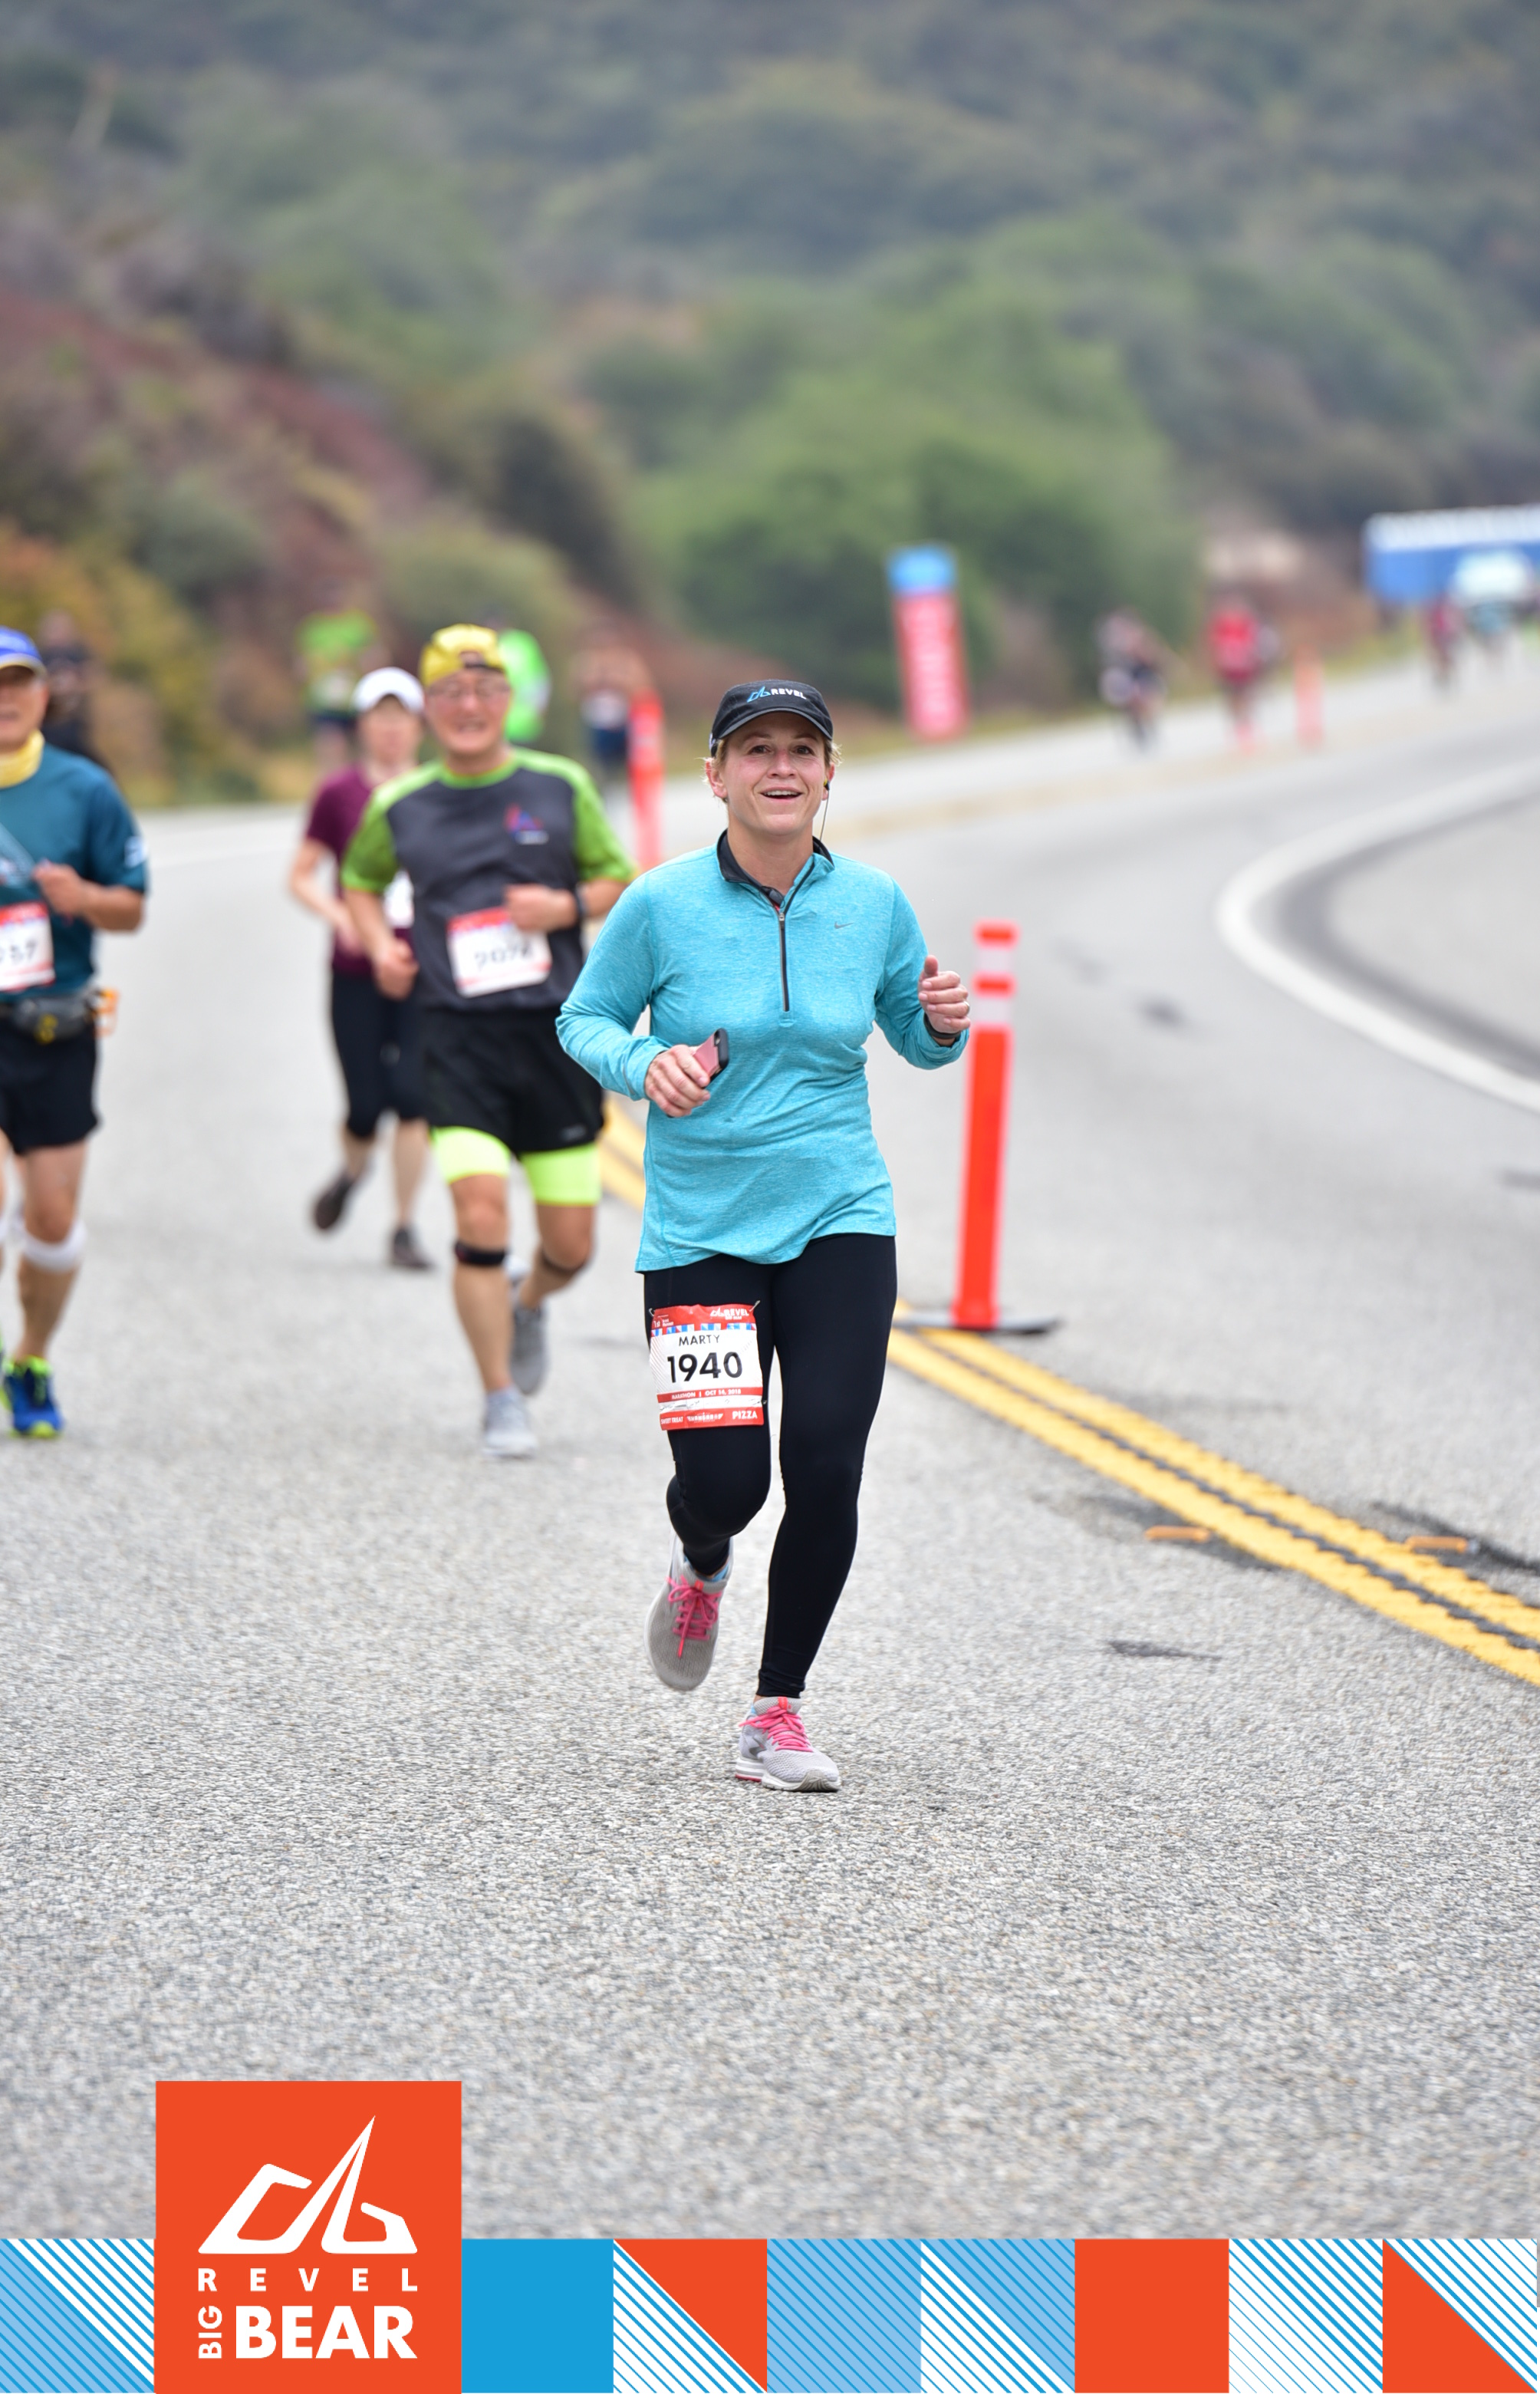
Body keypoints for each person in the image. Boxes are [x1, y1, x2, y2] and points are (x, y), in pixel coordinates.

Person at [557, 679, 971, 1792]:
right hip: (701, 1228)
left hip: (841, 1213)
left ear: (829, 773)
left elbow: (910, 1033)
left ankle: (774, 1712)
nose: (779, 768)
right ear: (715, 775)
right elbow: (583, 1018)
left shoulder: (875, 902)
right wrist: (646, 1064)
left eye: (801, 749)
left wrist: (940, 1027)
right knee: (728, 1484)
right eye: (755, 750)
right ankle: (702, 1559)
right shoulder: (660, 903)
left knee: (828, 1461)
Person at [341, 624, 636, 1458]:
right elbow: (359, 881)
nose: (468, 706)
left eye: (485, 690)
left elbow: (618, 877)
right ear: (429, 709)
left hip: (554, 1037)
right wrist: (380, 945)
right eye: (450, 693)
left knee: (572, 1246)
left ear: (509, 700)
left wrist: (565, 906)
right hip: (455, 1036)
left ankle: (529, 1299)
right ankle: (500, 1395)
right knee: (478, 1212)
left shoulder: (559, 784)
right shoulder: (399, 805)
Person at [0, 626, 147, 1437]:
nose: (7, 698)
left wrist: (84, 898)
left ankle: (30, 1355)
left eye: (19, 682)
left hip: (54, 1026)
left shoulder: (85, 789)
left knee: (51, 1227)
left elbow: (132, 905)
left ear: (43, 694)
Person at [288, 667, 433, 1269]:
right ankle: (351, 1171)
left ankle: (404, 1227)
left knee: (415, 1098)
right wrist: (340, 914)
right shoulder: (338, 793)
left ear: (419, 726)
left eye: (402, 717)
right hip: (356, 969)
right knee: (364, 1107)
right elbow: (301, 874)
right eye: (380, 717)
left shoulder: (440, 790)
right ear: (362, 726)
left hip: (426, 971)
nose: (391, 729)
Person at [295, 587, 382, 773]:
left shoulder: (358, 626)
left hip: (354, 698)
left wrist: (360, 667)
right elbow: (302, 663)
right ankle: (331, 785)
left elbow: (374, 657)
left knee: (364, 750)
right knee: (331, 749)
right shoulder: (313, 628)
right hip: (324, 701)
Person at [38, 611, 107, 767]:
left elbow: (95, 678)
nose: (56, 634)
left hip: (76, 720)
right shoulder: (41, 655)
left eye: (60, 629)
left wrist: (74, 685)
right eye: (52, 629)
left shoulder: (79, 653)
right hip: (47, 723)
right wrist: (51, 686)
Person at [1096, 604, 1167, 747]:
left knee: (1147, 699)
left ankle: (1147, 728)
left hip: (1140, 675)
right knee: (1133, 702)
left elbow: (1151, 658)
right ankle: (1139, 730)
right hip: (1124, 677)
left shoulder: (1139, 641)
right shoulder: (1115, 654)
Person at [497, 627, 553, 747]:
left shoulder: (522, 643)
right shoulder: (524, 643)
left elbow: (540, 679)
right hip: (507, 725)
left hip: (522, 724)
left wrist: (540, 707)